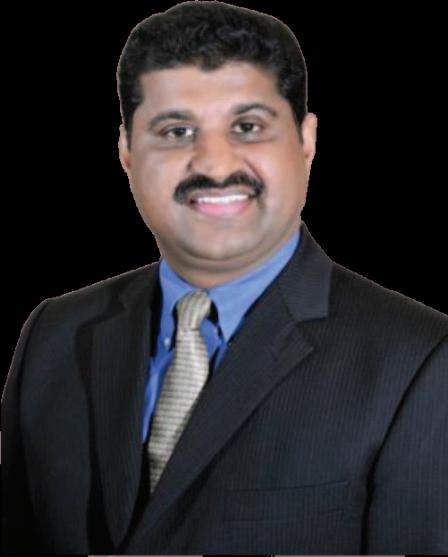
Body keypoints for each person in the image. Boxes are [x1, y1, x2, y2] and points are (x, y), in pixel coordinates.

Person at [2, 1, 447, 555]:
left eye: (248, 127)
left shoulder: (420, 360)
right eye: (176, 130)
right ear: (127, 150)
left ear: (306, 140)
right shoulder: (55, 333)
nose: (214, 164)